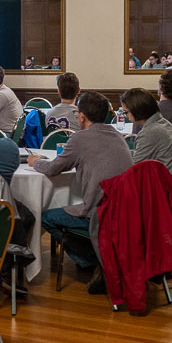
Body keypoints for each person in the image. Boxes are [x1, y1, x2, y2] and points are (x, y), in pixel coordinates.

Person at [27, 91, 133, 274]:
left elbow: (52, 169)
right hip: (127, 212)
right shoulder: (118, 135)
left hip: (99, 214)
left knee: (46, 217)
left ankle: (91, 260)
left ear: (82, 116)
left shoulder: (80, 138)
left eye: (76, 113)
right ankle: (100, 255)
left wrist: (35, 162)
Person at [120, 88, 172, 180]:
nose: (125, 116)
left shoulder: (151, 132)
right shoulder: (163, 122)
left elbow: (133, 168)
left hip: (160, 183)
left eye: (126, 112)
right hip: (170, 177)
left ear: (137, 110)